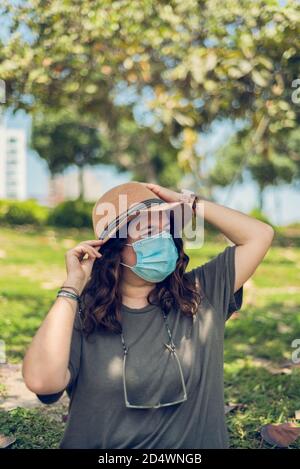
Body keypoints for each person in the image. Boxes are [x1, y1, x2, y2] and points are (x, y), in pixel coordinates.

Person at [22, 181, 274, 449]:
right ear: (113, 248)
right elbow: (42, 381)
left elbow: (259, 234)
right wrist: (72, 285)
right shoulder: (82, 312)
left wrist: (189, 201)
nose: (163, 239)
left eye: (167, 229)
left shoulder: (202, 292)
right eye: (150, 230)